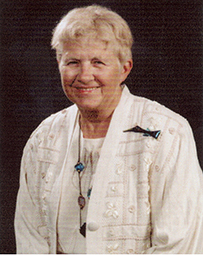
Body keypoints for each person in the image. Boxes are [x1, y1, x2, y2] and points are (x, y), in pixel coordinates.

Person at [14, 5, 203, 254]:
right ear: (59, 65)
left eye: (98, 62)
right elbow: (30, 236)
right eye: (72, 62)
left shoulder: (168, 132)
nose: (84, 75)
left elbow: (179, 244)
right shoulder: (43, 137)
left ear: (125, 68)